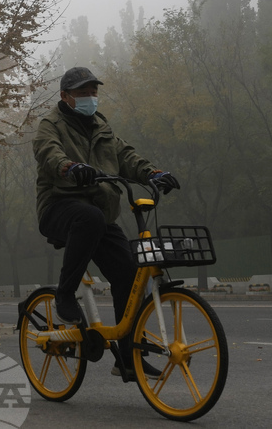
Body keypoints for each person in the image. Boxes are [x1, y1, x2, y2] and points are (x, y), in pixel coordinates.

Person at [33, 66, 181, 379]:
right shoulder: (51, 124)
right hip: (59, 207)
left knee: (129, 272)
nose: (90, 97)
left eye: (93, 91)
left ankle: (127, 357)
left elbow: (126, 156)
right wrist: (70, 167)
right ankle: (64, 295)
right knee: (89, 217)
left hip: (98, 214)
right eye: (82, 92)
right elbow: (48, 153)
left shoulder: (101, 126)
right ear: (65, 96)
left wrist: (153, 173)